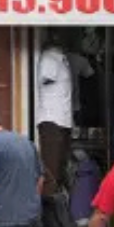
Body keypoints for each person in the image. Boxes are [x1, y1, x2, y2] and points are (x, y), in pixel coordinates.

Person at [35, 35, 73, 195]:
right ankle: (49, 212)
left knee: (58, 168)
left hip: (61, 119)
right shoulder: (50, 59)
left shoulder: (61, 59)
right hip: (52, 119)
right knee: (51, 170)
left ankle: (55, 210)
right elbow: (43, 80)